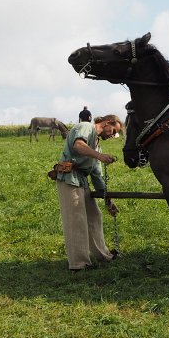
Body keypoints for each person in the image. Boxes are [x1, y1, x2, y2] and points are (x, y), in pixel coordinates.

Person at [53, 114, 123, 271]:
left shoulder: (96, 145)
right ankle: (79, 264)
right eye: (113, 131)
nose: (112, 135)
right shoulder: (86, 127)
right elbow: (78, 145)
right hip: (69, 178)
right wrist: (99, 156)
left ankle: (102, 255)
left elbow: (97, 176)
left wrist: (108, 201)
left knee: (94, 216)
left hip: (81, 180)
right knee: (76, 219)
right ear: (106, 123)